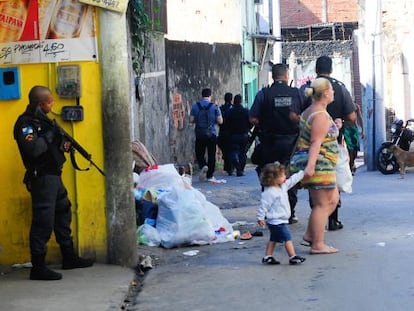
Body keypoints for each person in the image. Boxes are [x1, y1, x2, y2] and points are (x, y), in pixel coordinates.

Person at [13, 86, 94, 281]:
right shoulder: (25, 124)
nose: (53, 104)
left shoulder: (44, 122)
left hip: (54, 177)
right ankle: (38, 267)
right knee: (43, 221)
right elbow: (33, 149)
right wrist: (51, 135)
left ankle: (69, 256)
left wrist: (62, 144)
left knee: (63, 213)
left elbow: (52, 148)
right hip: (42, 178)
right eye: (50, 102)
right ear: (41, 104)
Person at [290, 55, 356, 231]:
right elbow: (351, 117)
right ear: (331, 69)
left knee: (324, 192)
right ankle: (326, 225)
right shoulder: (339, 89)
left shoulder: (306, 89)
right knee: (326, 190)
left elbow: (293, 115)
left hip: (315, 148)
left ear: (316, 69)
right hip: (325, 152)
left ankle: (316, 226)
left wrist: (305, 126)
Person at [290, 77, 340, 254]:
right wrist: (310, 166)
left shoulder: (311, 111)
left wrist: (336, 127)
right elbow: (316, 142)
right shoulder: (319, 115)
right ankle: (317, 244)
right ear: (326, 93)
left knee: (332, 200)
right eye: (332, 90)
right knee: (322, 204)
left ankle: (311, 235)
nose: (333, 92)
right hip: (320, 164)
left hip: (323, 163)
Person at [249, 63, 302, 224]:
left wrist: (263, 123)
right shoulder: (297, 93)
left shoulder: (263, 94)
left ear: (273, 76)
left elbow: (252, 118)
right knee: (289, 177)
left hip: (269, 142)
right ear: (287, 76)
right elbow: (306, 115)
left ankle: (269, 211)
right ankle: (290, 213)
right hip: (292, 144)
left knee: (269, 175)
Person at [257, 162, 306, 265]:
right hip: (276, 221)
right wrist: (260, 217)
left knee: (273, 239)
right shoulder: (269, 192)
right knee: (288, 238)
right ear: (274, 178)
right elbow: (263, 206)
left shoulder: (282, 187)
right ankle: (292, 256)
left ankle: (268, 256)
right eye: (282, 175)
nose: (285, 177)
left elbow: (292, 180)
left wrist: (302, 173)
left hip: (280, 220)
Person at [190, 88, 223, 181]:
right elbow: (220, 121)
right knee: (211, 155)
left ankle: (203, 165)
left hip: (200, 133)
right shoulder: (215, 106)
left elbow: (191, 120)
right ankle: (210, 175)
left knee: (199, 153)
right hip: (211, 134)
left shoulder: (195, 106)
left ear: (202, 95)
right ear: (210, 96)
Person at [224, 94, 252, 176]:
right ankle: (241, 169)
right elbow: (250, 122)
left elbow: (226, 122)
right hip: (243, 134)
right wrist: (248, 128)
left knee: (233, 151)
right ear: (241, 101)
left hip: (233, 135)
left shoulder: (230, 111)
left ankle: (235, 163)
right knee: (243, 152)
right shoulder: (245, 111)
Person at [343, 104, 364, 175]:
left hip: (354, 129)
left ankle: (352, 163)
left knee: (356, 149)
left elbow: (360, 118)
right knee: (349, 149)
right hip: (346, 129)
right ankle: (350, 167)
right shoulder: (343, 106)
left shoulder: (356, 106)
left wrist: (363, 130)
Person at [217, 92, 233, 175]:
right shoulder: (233, 109)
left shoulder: (221, 108)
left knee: (225, 150)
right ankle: (229, 167)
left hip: (222, 131)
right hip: (231, 132)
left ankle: (227, 166)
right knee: (230, 150)